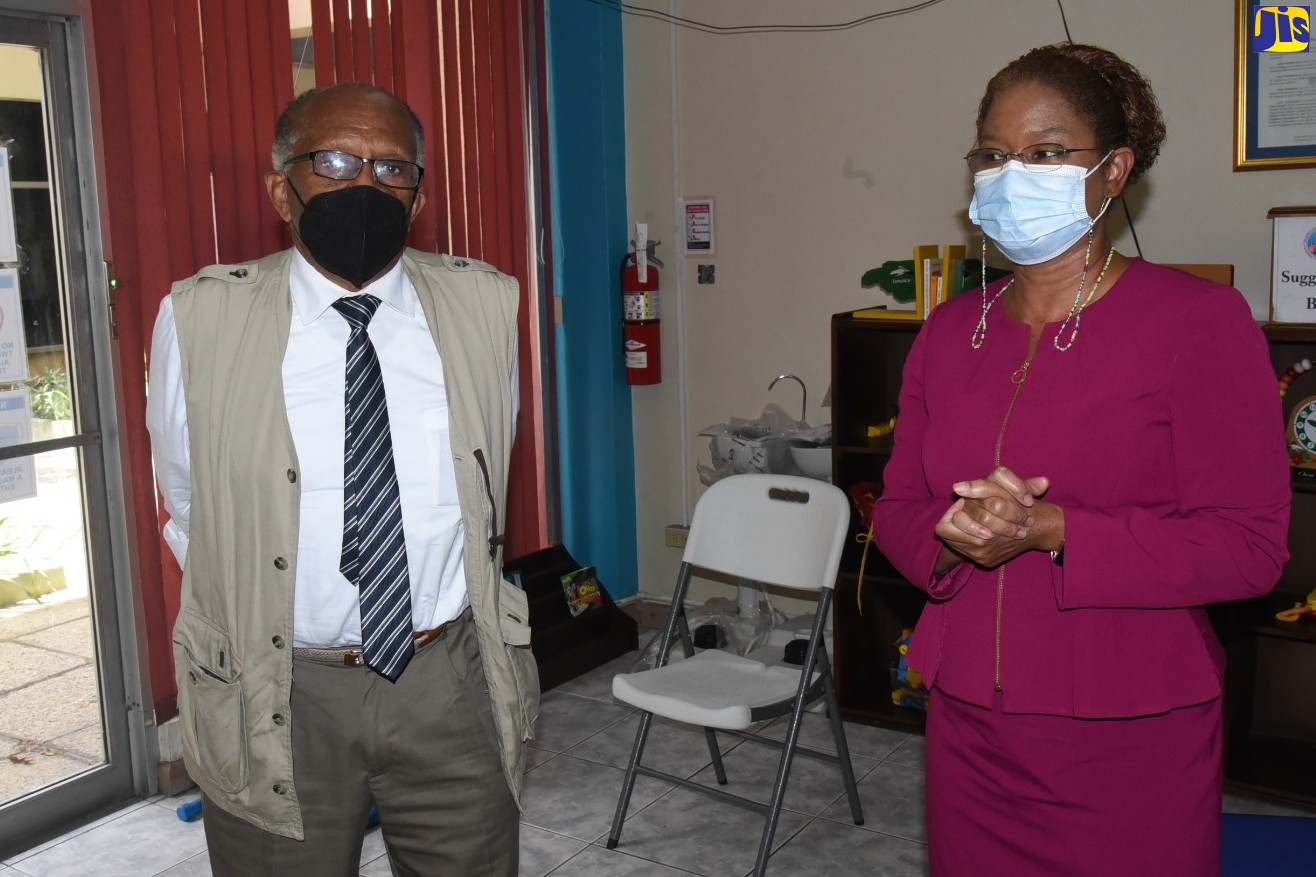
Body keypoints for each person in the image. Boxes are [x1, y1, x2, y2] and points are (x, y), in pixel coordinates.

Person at [869, 43, 1291, 877]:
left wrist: (1058, 529)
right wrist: (953, 534)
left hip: (1129, 730)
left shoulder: (1199, 323)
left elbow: (1251, 545)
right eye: (993, 153)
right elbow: (896, 505)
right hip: (970, 730)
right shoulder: (950, 331)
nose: (1011, 172)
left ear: (1113, 170)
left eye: (1047, 152)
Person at [146, 82, 538, 877]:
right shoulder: (200, 320)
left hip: (447, 679)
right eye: (333, 160)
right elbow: (191, 505)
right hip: (279, 689)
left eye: (393, 168)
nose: (366, 184)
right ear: (280, 189)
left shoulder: (484, 305)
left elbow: (485, 483)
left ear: (419, 194)